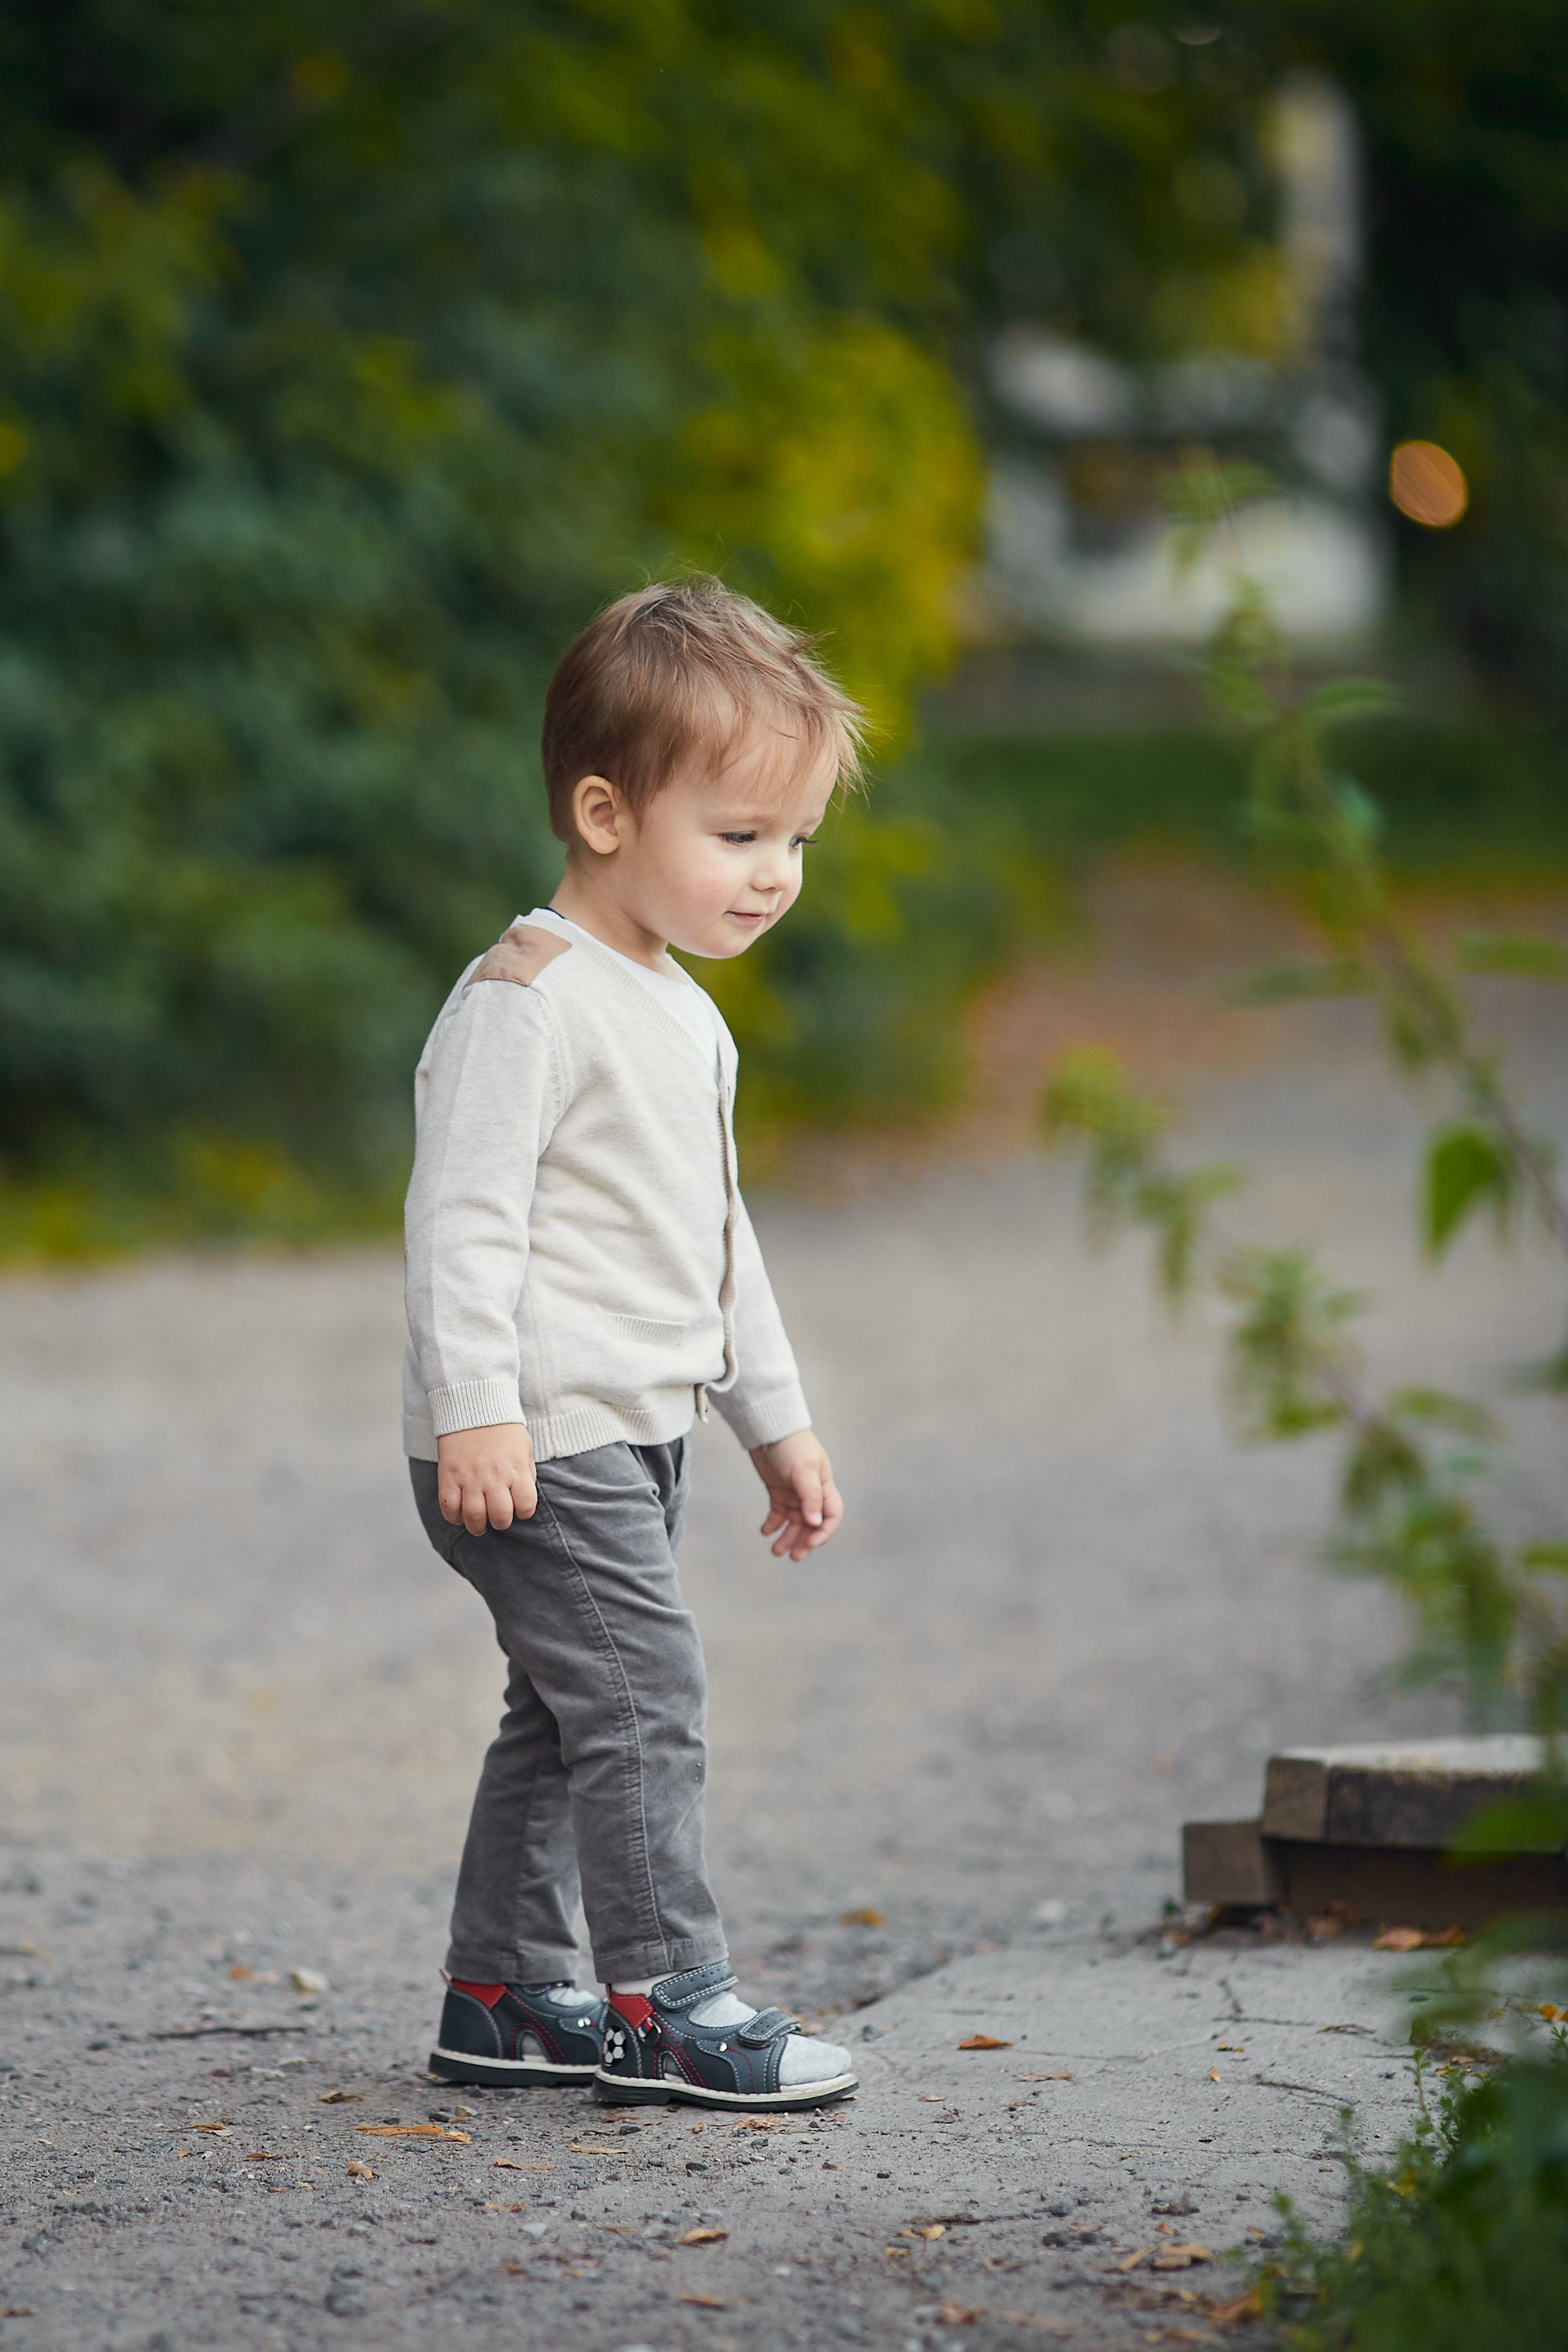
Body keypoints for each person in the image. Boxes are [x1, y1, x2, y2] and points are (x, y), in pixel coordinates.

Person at [403, 578, 860, 2111]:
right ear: (605, 812)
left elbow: (715, 1246)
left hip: (634, 1424)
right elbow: (459, 1226)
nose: (775, 874)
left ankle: (502, 1995)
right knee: (643, 1699)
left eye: (793, 839)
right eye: (738, 836)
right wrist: (477, 1411)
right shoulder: (524, 1004)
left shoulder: (684, 1014)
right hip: (536, 1431)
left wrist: (774, 1425)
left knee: (567, 1708)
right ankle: (668, 1999)